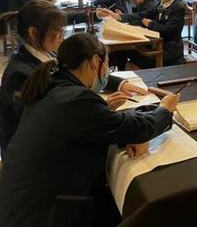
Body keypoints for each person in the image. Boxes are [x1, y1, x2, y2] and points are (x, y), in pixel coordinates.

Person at [0, 33, 178, 227]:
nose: (106, 72)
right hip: (44, 213)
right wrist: (165, 109)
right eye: (107, 65)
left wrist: (105, 113)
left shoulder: (51, 85)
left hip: (20, 202)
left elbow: (90, 126)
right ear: (94, 62)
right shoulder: (76, 100)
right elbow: (137, 128)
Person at [0, 0, 147, 157]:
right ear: (33, 32)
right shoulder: (20, 74)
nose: (62, 36)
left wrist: (119, 84)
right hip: (34, 153)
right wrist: (99, 111)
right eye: (57, 30)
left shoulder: (47, 52)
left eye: (63, 29)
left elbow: (75, 72)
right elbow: (53, 124)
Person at [100, 0, 186, 68]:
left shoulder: (179, 7)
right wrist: (119, 17)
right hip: (156, 46)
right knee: (121, 51)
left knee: (125, 51)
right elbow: (142, 15)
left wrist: (150, 23)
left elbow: (168, 31)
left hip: (168, 53)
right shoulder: (160, 4)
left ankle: (108, 70)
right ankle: (108, 71)